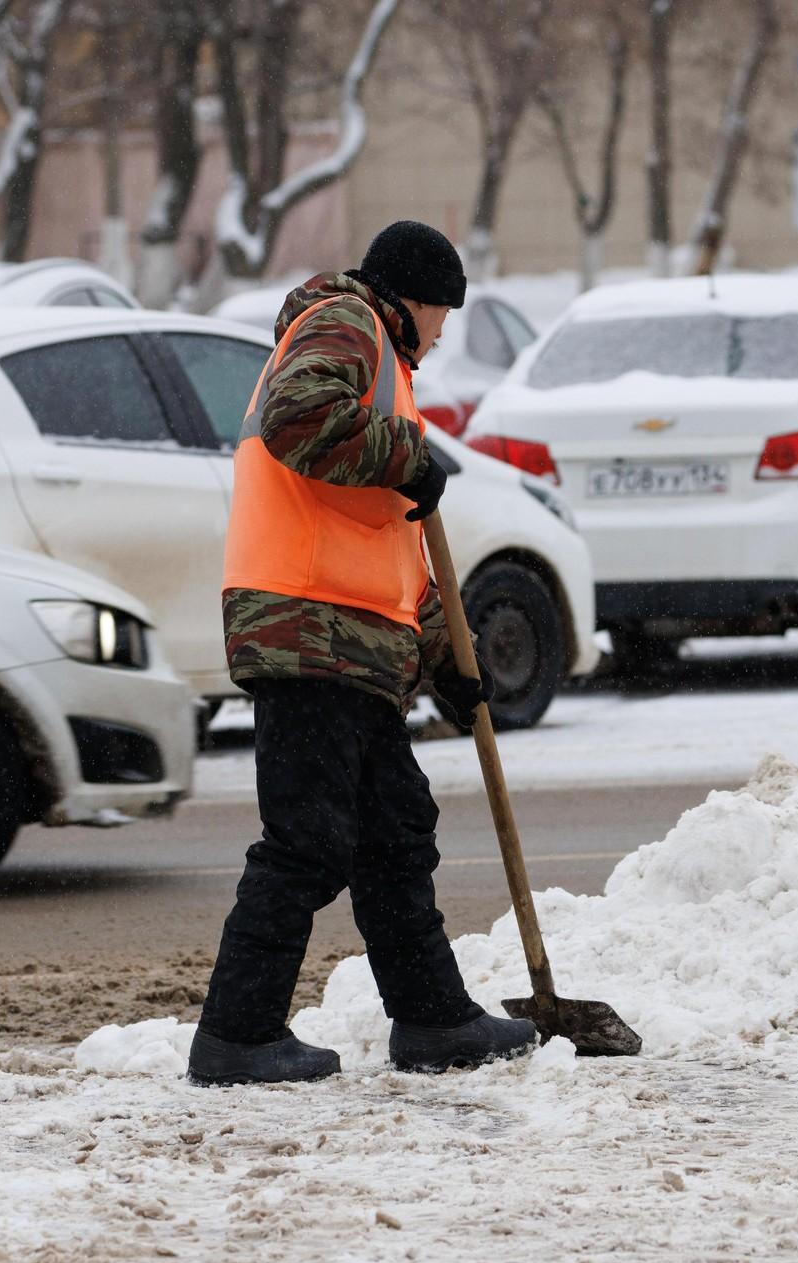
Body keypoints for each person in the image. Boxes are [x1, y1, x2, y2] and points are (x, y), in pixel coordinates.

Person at [187, 220, 540, 1086]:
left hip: (351, 640)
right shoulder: (346, 321)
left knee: (393, 834)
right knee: (308, 840)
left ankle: (433, 1020)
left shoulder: (383, 362)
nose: (444, 332)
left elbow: (383, 550)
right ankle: (236, 1034)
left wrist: (444, 659)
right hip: (307, 632)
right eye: (441, 312)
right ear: (412, 297)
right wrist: (408, 455)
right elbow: (299, 418)